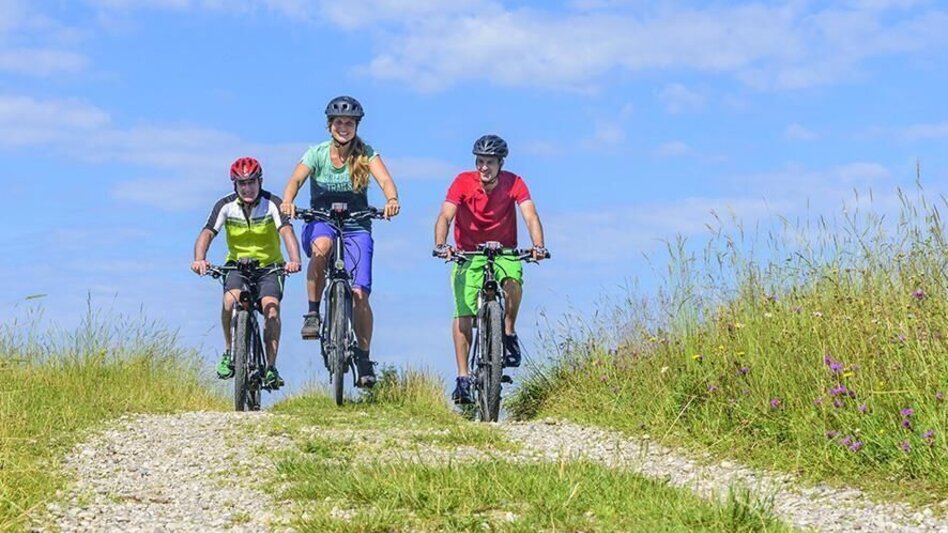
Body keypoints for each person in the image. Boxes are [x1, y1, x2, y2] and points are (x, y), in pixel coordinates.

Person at [280, 96, 400, 388]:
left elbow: (385, 180)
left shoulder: (367, 154)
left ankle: (363, 356)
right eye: (338, 122)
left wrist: (392, 199)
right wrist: (288, 201)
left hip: (357, 223)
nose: (343, 127)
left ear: (356, 126)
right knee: (321, 248)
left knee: (360, 294)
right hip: (321, 219)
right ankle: (312, 312)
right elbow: (295, 180)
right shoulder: (317, 153)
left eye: (349, 123)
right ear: (329, 125)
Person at [433, 134, 548, 404]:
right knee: (463, 311)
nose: (483, 167)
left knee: (513, 280)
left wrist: (539, 245)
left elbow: (530, 214)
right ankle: (462, 378)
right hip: (468, 253)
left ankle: (508, 332)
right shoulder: (462, 182)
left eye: (490, 162)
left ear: (501, 163)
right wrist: (441, 243)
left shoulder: (514, 182)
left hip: (505, 250)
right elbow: (446, 215)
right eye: (480, 161)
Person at [191, 157, 302, 389]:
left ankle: (270, 367)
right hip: (237, 266)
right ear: (235, 186)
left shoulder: (272, 203)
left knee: (271, 309)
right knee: (229, 302)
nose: (247, 188)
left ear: (259, 181)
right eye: (242, 184)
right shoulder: (225, 205)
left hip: (269, 267)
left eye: (252, 182)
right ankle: (230, 353)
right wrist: (199, 259)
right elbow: (207, 233)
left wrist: (294, 260)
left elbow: (287, 231)